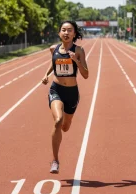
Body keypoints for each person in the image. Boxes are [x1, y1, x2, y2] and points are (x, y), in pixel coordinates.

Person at [41, 21, 89, 174]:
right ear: (59, 33)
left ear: (74, 34)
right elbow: (53, 63)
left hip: (72, 92)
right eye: (63, 30)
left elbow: (86, 75)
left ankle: (66, 121)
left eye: (70, 30)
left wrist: (76, 61)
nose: (66, 33)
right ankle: (55, 160)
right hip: (56, 89)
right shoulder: (53, 49)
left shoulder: (79, 50)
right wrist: (46, 74)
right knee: (57, 120)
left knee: (65, 126)